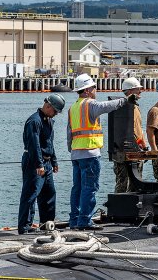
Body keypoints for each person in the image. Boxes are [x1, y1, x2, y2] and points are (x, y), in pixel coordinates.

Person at [67, 73, 132, 230]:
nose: (96, 90)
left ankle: (74, 220)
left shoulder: (73, 107)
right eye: (94, 87)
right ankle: (84, 221)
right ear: (87, 90)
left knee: (77, 188)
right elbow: (105, 106)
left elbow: (69, 133)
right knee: (89, 188)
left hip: (76, 154)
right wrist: (125, 100)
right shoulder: (90, 104)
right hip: (90, 153)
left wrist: (72, 149)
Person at [18, 94, 65, 234]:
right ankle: (25, 227)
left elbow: (49, 142)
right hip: (34, 162)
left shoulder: (48, 121)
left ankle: (47, 224)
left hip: (47, 162)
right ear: (48, 106)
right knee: (30, 194)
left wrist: (54, 161)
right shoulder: (34, 121)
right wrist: (39, 165)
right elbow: (34, 145)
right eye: (55, 111)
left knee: (49, 194)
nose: (56, 114)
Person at [113, 77, 147, 193]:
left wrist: (143, 146)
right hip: (126, 151)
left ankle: (131, 204)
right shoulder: (124, 107)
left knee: (134, 184)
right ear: (130, 91)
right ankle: (119, 205)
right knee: (124, 184)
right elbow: (129, 131)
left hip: (134, 150)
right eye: (138, 89)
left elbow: (137, 129)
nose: (140, 91)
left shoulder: (134, 107)